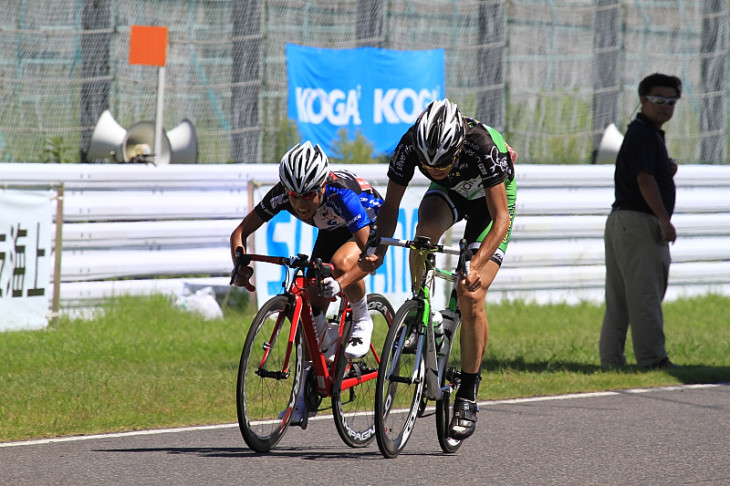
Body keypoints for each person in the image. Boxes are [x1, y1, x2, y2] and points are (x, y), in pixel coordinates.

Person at [356, 98, 517, 440]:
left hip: (491, 205)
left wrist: (475, 265)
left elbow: (501, 220)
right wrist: (377, 247)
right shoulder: (410, 143)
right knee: (422, 237)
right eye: (429, 166)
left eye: (443, 162)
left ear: (458, 145)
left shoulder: (483, 147)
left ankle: (469, 393)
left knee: (471, 295)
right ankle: (422, 312)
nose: (435, 169)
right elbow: (391, 207)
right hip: (451, 194)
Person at [230, 141, 383, 423]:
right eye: (294, 195)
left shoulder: (342, 195)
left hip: (368, 218)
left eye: (308, 195)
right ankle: (307, 391)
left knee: (340, 264)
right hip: (330, 225)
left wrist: (341, 283)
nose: (300, 204)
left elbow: (372, 259)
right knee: (310, 309)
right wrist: (240, 264)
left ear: (322, 186)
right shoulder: (283, 195)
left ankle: (362, 318)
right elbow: (240, 232)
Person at [599, 73, 682, 370]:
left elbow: (648, 174)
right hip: (638, 222)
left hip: (623, 222)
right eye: (659, 100)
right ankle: (653, 359)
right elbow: (644, 179)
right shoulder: (643, 133)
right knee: (646, 294)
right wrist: (664, 220)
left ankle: (611, 362)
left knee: (620, 299)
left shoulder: (646, 135)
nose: (666, 106)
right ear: (643, 100)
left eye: (672, 101)